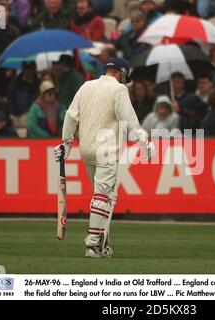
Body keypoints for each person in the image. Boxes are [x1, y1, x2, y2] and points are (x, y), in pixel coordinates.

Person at [53, 58, 155, 258]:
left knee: (107, 196)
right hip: (106, 150)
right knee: (102, 195)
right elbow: (129, 121)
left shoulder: (86, 86)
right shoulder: (119, 90)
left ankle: (103, 243)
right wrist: (144, 142)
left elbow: (71, 115)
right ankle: (92, 246)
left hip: (87, 150)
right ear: (121, 73)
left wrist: (66, 143)